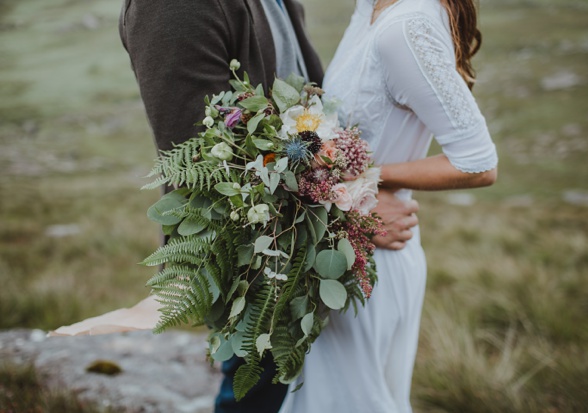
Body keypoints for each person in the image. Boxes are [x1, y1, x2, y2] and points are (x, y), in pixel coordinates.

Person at [118, 1, 420, 412]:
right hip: (251, 261)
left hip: (302, 256)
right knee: (258, 396)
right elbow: (204, 165)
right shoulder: (173, 7)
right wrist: (350, 208)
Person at [278, 0, 498, 412]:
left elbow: (478, 163)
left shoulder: (405, 27)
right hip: (345, 251)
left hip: (372, 263)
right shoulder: (369, 8)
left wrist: (366, 178)